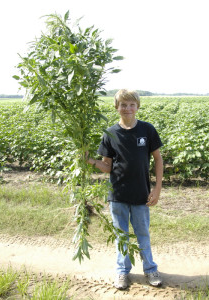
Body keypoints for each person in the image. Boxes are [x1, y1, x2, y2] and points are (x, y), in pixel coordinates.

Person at [87, 89, 163, 290]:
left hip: (141, 194)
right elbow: (107, 166)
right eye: (123, 104)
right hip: (118, 194)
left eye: (131, 104)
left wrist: (157, 188)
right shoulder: (110, 133)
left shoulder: (147, 130)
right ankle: (122, 272)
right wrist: (89, 160)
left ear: (137, 106)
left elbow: (158, 159)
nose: (127, 108)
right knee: (121, 235)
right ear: (116, 107)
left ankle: (150, 269)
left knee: (142, 233)